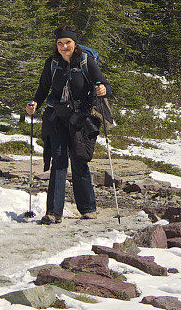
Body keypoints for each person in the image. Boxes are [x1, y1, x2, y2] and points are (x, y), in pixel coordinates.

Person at [26, 27, 110, 224]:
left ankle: (88, 208)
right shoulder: (52, 63)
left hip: (81, 118)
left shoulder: (85, 61)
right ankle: (54, 212)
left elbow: (105, 85)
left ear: (75, 43)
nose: (64, 47)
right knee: (59, 160)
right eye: (60, 43)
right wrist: (35, 104)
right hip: (57, 117)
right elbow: (43, 88)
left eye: (68, 43)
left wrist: (103, 88)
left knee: (80, 161)